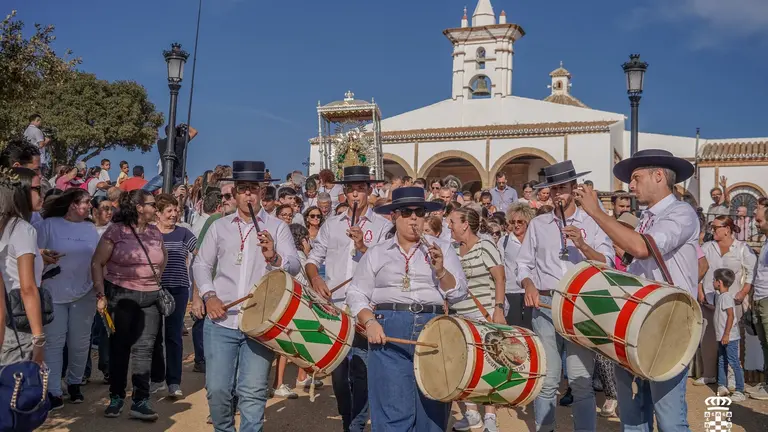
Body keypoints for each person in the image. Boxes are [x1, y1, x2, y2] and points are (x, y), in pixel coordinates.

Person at [574, 149, 698, 431]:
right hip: (637, 321)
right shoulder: (646, 218)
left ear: (659, 176)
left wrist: (595, 212)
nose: (630, 185)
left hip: (669, 324)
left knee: (669, 420)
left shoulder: (681, 212)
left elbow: (643, 248)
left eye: (636, 178)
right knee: (633, 415)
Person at [346, 186, 468, 431]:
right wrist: (369, 321)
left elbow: (458, 293)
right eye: (406, 212)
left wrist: (441, 271)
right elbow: (356, 293)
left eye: (419, 212)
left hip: (433, 328)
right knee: (392, 409)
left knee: (432, 411)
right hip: (388, 327)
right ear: (394, 216)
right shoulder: (378, 252)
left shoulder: (442, 248)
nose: (414, 218)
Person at [193, 161, 300, 432]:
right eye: (243, 189)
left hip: (260, 323)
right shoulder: (219, 226)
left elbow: (294, 265)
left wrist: (274, 257)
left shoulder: (277, 227)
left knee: (252, 393)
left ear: (262, 192)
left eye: (253, 188)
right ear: (235, 192)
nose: (248, 194)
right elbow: (201, 264)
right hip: (221, 320)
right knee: (217, 390)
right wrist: (209, 295)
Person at [518, 160, 613, 432]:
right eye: (553, 189)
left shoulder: (592, 222)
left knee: (580, 380)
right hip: (545, 304)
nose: (557, 193)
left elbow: (607, 262)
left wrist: (582, 245)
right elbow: (523, 263)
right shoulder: (539, 224)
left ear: (574, 188)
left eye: (562, 188)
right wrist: (528, 284)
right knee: (548, 379)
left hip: (579, 305)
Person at [305, 165, 392, 432]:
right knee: (340, 376)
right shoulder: (331, 225)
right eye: (351, 190)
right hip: (334, 309)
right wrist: (316, 279)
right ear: (345, 193)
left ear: (369, 191)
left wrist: (363, 247)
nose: (355, 195)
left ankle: (355, 426)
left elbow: (387, 267)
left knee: (361, 372)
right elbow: (312, 259)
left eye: (360, 189)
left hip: (365, 308)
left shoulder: (383, 227)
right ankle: (348, 419)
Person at [91, 189, 165, 420]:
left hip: (150, 298)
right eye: (152, 204)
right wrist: (100, 294)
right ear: (138, 207)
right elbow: (97, 262)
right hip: (121, 296)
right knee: (120, 348)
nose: (156, 208)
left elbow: (162, 259)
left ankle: (140, 401)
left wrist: (153, 280)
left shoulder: (155, 232)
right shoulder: (116, 231)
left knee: (145, 349)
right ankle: (116, 397)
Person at [35, 188, 100, 408]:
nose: (90, 206)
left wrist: (99, 289)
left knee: (80, 343)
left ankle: (74, 383)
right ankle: (53, 390)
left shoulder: (91, 229)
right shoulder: (48, 225)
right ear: (73, 204)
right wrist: (46, 257)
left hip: (85, 292)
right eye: (87, 202)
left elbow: (98, 260)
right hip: (54, 292)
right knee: (54, 342)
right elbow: (35, 254)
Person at [447, 206, 506, 432]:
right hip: (459, 316)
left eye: (452, 222)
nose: (449, 226)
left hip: (485, 314)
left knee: (489, 365)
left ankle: (490, 417)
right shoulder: (452, 249)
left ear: (465, 225)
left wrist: (498, 309)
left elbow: (500, 278)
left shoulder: (485, 245)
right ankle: (472, 414)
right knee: (464, 365)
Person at [696, 216, 756, 388]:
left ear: (727, 229)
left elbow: (750, 274)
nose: (712, 230)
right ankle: (709, 374)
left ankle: (731, 378)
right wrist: (700, 291)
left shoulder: (742, 249)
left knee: (732, 340)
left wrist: (743, 293)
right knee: (707, 338)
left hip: (732, 302)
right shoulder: (707, 247)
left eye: (715, 227)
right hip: (709, 301)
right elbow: (699, 270)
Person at [149, 194, 197, 399]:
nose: (174, 214)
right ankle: (156, 379)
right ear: (158, 213)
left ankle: (174, 381)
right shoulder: (149, 233)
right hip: (153, 290)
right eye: (169, 210)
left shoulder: (184, 233)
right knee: (153, 336)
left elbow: (202, 255)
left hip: (178, 289)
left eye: (175, 210)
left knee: (173, 336)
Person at [0, 167, 45, 366]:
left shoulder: (5, 225)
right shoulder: (23, 229)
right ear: (21, 191)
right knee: (20, 382)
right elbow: (27, 288)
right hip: (20, 322)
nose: (42, 195)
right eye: (37, 189)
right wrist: (39, 339)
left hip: (5, 319)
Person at [711, 268, 746, 401]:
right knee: (722, 360)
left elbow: (731, 316)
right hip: (722, 337)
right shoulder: (721, 297)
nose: (713, 282)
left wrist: (726, 335)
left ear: (719, 282)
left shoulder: (726, 297)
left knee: (734, 362)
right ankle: (722, 385)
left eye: (714, 280)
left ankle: (740, 390)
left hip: (729, 338)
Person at [501, 203, 535, 329]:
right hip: (511, 291)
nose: (516, 225)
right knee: (514, 329)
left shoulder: (534, 240)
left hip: (531, 290)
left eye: (520, 221)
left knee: (531, 329)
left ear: (527, 222)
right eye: (513, 222)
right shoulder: (504, 241)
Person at [748, 203, 768, 400]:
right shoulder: (765, 241)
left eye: (759, 220)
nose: (756, 223)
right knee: (765, 344)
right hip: (761, 298)